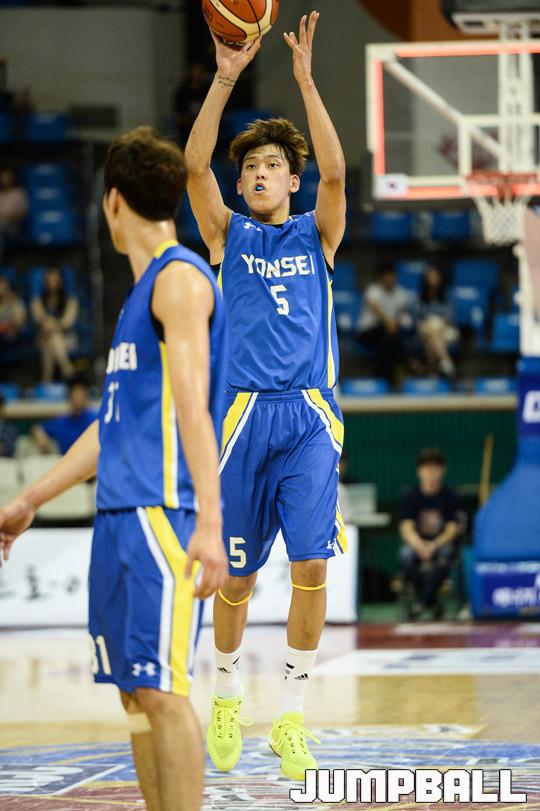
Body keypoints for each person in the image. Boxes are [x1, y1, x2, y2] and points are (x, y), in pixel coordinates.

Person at [0, 125, 229, 811]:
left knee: (163, 690)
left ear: (113, 202)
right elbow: (110, 428)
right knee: (134, 694)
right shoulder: (139, 296)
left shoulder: (179, 279)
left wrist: (210, 521)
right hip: (118, 516)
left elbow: (195, 406)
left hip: (163, 512)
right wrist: (30, 498)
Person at [185, 11, 347, 780]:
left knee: (312, 565)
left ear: (291, 180)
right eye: (249, 165)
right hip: (243, 416)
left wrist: (307, 82)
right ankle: (225, 694)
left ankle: (291, 715)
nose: (256, 174)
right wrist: (224, 79)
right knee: (238, 578)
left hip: (309, 416)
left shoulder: (318, 234)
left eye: (271, 165)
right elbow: (193, 169)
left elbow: (338, 175)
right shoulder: (229, 238)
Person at [399, 448, 461, 620]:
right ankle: (432, 602)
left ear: (443, 470)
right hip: (418, 545)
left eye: (435, 469)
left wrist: (434, 545)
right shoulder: (411, 496)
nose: (431, 474)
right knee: (405, 555)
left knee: (447, 555)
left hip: (441, 544)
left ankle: (421, 602)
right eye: (427, 469)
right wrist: (419, 545)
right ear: (419, 471)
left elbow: (452, 529)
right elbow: (406, 527)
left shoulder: (450, 497)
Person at [358, 261, 417, 383]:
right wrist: (390, 323)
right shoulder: (373, 291)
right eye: (387, 276)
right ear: (381, 277)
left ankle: (383, 379)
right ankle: (408, 361)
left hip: (389, 334)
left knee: (388, 341)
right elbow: (376, 310)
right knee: (387, 334)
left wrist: (395, 324)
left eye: (392, 275)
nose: (390, 279)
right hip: (368, 331)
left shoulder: (400, 293)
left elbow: (403, 313)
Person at [31, 266, 79, 382]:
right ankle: (67, 369)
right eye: (49, 281)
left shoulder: (71, 301)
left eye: (55, 280)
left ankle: (47, 379)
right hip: (42, 338)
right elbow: (40, 320)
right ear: (45, 282)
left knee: (53, 339)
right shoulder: (37, 301)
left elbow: (67, 322)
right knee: (51, 338)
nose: (52, 284)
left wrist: (52, 325)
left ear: (61, 282)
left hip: (68, 338)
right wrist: (53, 325)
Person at [32, 378, 98, 455]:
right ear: (69, 396)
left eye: (81, 393)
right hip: (66, 459)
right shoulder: (61, 422)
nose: (78, 397)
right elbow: (39, 428)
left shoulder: (96, 419)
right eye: (75, 393)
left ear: (87, 395)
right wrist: (40, 436)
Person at [417, 265, 458, 378]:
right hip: (424, 329)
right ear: (425, 280)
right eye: (430, 277)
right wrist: (431, 325)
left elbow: (449, 318)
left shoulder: (447, 297)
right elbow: (417, 318)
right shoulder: (419, 298)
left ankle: (432, 374)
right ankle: (446, 362)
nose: (433, 280)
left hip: (445, 330)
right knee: (430, 332)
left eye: (435, 277)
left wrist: (437, 326)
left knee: (431, 339)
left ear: (440, 279)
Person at [173, 61, 212, 147]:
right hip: (186, 128)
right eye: (194, 72)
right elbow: (178, 113)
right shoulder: (182, 91)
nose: (196, 75)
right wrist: (190, 121)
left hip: (206, 126)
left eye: (199, 72)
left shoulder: (208, 90)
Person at [0, 168, 28, 262]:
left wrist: (7, 215)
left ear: (12, 178)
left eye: (8, 177)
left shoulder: (19, 193)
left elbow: (22, 213)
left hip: (13, 225)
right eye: (3, 177)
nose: (5, 180)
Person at [0, 274, 26, 348]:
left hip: (10, 335)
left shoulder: (15, 301)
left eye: (3, 288)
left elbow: (20, 323)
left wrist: (10, 304)